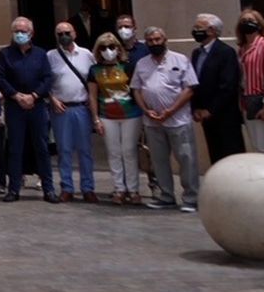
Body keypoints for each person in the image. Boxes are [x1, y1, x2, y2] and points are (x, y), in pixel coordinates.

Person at [131, 27, 200, 211]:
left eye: (157, 39)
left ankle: (191, 198)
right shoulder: (142, 64)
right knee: (159, 160)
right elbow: (136, 89)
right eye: (150, 40)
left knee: (186, 159)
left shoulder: (180, 59)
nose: (154, 43)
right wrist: (146, 110)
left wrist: (171, 110)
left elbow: (189, 88)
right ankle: (166, 195)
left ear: (165, 39)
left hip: (178, 120)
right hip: (152, 122)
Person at [0, 17, 58, 204]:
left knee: (42, 147)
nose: (19, 34)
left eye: (23, 31)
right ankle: (13, 188)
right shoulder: (5, 54)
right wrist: (17, 96)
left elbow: (47, 78)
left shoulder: (40, 54)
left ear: (31, 33)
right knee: (15, 148)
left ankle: (49, 188)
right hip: (15, 106)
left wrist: (34, 95)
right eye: (16, 31)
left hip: (37, 106)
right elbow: (1, 79)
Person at [87, 31, 143, 205]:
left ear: (118, 49)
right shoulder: (95, 70)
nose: (108, 50)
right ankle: (119, 188)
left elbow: (137, 90)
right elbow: (92, 96)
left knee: (129, 151)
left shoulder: (128, 66)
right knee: (114, 153)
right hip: (107, 115)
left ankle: (133, 189)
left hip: (131, 114)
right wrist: (95, 119)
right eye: (103, 47)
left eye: (111, 47)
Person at [46, 19, 96, 202]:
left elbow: (93, 80)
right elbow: (46, 82)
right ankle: (67, 187)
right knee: (64, 150)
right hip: (61, 109)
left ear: (74, 34)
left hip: (81, 107)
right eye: (60, 33)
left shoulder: (86, 54)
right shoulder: (50, 56)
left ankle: (88, 187)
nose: (64, 36)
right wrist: (52, 99)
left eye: (67, 32)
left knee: (85, 150)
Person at [190, 12, 244, 163]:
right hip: (205, 116)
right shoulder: (197, 53)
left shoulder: (225, 52)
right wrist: (196, 108)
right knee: (215, 154)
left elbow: (228, 85)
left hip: (225, 115)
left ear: (212, 30)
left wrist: (211, 109)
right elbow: (194, 82)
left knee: (231, 156)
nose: (195, 31)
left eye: (199, 27)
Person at [237, 9, 264, 156]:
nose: (247, 24)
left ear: (259, 24)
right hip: (246, 102)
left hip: (261, 101)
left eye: (250, 20)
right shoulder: (241, 49)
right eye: (243, 21)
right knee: (256, 146)